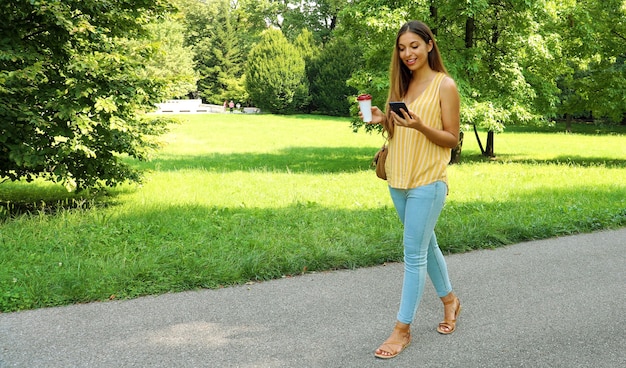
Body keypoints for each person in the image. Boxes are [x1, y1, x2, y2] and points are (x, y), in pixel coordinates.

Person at [359, 20, 462, 359]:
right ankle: (450, 301)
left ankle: (401, 330)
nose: (407, 54)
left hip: (428, 181)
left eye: (414, 46)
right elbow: (398, 130)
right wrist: (382, 119)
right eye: (402, 48)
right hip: (398, 180)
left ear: (429, 45)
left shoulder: (445, 85)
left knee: (413, 254)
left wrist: (421, 125)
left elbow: (451, 139)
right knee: (426, 245)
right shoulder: (401, 86)